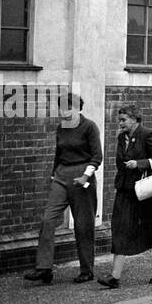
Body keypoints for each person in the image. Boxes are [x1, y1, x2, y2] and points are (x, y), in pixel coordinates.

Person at [24, 92, 103, 286]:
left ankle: (86, 270)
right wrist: (53, 176)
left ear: (78, 109)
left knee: (83, 225)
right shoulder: (61, 128)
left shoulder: (89, 127)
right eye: (61, 108)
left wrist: (85, 175)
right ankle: (44, 269)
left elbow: (97, 156)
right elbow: (59, 154)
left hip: (82, 175)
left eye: (68, 108)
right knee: (48, 220)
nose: (64, 112)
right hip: (61, 175)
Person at [98, 104, 152, 288]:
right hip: (127, 190)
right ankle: (114, 277)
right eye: (119, 120)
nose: (120, 123)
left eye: (123, 120)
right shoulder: (122, 137)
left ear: (135, 119)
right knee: (120, 228)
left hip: (147, 191)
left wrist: (139, 163)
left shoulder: (147, 134)